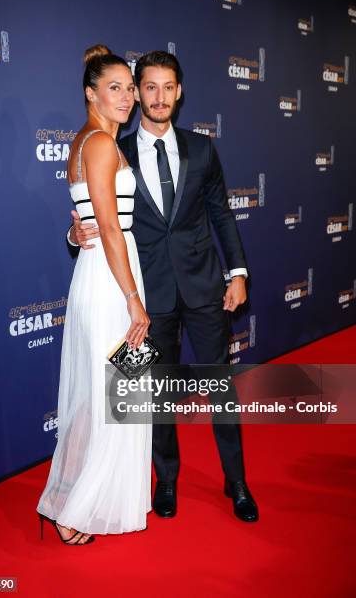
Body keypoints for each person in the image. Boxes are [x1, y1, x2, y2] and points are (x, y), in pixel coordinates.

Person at [68, 50, 259, 523]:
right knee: (154, 394)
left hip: (203, 287)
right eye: (146, 87)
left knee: (220, 387)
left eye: (166, 87)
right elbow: (97, 217)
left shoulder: (202, 149)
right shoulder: (117, 147)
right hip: (146, 297)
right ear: (138, 91)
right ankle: (166, 480)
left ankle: (236, 481)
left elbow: (221, 214)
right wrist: (73, 234)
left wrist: (237, 272)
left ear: (179, 92)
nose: (156, 97)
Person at [37, 45, 152, 545]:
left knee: (98, 395)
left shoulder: (89, 141)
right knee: (112, 394)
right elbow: (107, 226)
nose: (127, 97)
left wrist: (72, 236)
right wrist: (132, 298)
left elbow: (87, 222)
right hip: (112, 281)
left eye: (130, 88)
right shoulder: (102, 145)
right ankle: (75, 508)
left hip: (101, 272)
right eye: (116, 88)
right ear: (91, 94)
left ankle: (70, 497)